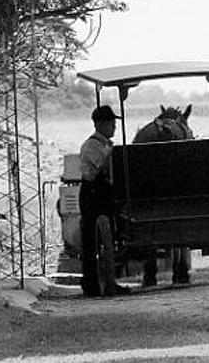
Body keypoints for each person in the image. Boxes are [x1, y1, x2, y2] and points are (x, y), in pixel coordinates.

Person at [79, 105, 131, 297]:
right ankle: (92, 284)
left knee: (108, 238)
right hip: (93, 193)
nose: (114, 127)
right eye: (111, 124)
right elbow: (103, 167)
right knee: (92, 240)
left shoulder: (105, 144)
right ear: (101, 124)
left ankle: (109, 280)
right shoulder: (92, 146)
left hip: (104, 193)